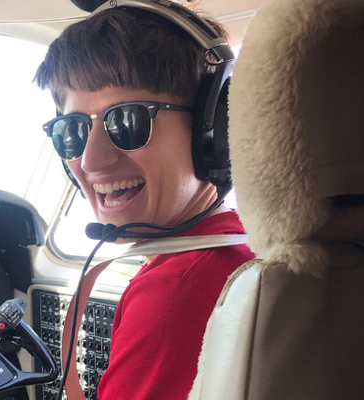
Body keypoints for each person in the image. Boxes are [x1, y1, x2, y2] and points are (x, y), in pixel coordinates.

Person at [35, 4, 254, 399]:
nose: (91, 160)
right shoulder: (239, 243)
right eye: (73, 130)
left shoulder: (176, 292)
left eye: (127, 120)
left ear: (213, 132)